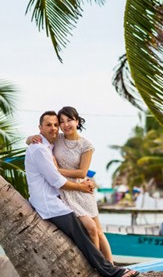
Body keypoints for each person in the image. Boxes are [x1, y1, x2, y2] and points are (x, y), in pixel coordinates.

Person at [25, 111, 137, 277]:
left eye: (56, 124)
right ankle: (109, 271)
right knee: (83, 235)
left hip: (62, 198)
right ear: (40, 128)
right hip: (51, 204)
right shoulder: (40, 149)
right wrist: (82, 187)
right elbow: (57, 181)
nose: (54, 128)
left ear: (77, 121)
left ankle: (107, 267)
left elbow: (77, 172)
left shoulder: (51, 145)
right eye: (49, 125)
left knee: (93, 231)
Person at [27, 106, 114, 262]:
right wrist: (29, 138)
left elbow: (82, 172)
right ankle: (98, 264)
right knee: (91, 228)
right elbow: (42, 138)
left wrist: (56, 170)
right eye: (62, 121)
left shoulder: (86, 145)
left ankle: (110, 264)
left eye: (69, 120)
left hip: (82, 189)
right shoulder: (58, 138)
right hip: (66, 191)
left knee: (99, 232)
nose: (65, 125)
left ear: (77, 121)